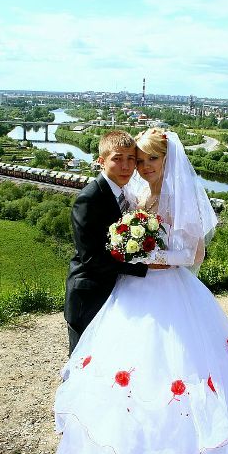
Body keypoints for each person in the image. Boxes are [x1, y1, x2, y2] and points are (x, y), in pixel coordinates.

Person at [54, 128, 228, 454]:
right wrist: (134, 255)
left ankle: (184, 448)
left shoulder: (178, 196)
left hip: (168, 289)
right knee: (129, 362)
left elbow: (194, 253)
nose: (143, 166)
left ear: (168, 160)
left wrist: (150, 258)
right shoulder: (136, 194)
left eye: (151, 159)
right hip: (132, 288)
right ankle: (128, 438)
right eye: (139, 159)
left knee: (175, 362)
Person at [64, 130, 149, 355]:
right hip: (90, 295)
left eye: (131, 159)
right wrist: (144, 267)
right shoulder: (89, 199)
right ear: (101, 161)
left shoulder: (124, 193)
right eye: (117, 158)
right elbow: (91, 259)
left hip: (115, 293)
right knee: (83, 362)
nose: (126, 166)